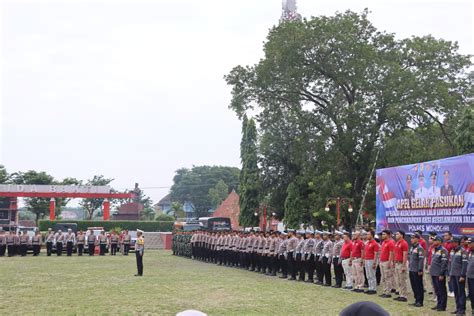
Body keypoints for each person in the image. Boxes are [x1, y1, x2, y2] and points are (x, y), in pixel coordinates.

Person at [448, 237, 468, 315]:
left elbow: (464, 264)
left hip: (459, 275)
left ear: (456, 242)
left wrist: (462, 275)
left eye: (452, 242)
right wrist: (449, 274)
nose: (450, 243)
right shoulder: (452, 251)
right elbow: (450, 263)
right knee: (456, 292)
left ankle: (462, 310)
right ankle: (458, 308)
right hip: (453, 274)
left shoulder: (463, 251)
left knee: (461, 293)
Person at [430, 236, 449, 312]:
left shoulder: (443, 250)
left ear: (439, 241)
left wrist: (441, 274)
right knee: (437, 290)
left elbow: (444, 263)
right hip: (434, 273)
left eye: (435, 240)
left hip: (439, 274)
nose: (433, 241)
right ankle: (438, 304)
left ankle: (442, 306)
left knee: (441, 290)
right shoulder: (434, 249)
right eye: (433, 240)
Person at [408, 233, 425, 307]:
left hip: (417, 270)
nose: (411, 239)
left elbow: (421, 260)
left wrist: (420, 270)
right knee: (414, 285)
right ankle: (416, 300)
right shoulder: (412, 247)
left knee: (418, 286)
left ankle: (420, 301)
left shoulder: (419, 248)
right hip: (411, 269)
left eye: (413, 238)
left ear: (418, 239)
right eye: (411, 238)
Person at [393, 230, 408, 302]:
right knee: (398, 280)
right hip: (397, 263)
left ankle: (404, 296)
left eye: (397, 234)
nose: (396, 235)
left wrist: (404, 266)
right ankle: (400, 294)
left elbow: (405, 255)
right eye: (396, 234)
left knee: (402, 280)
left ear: (402, 235)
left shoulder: (404, 243)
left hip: (401, 263)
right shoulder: (396, 243)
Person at [379, 230, 395, 298]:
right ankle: (385, 291)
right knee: (383, 277)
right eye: (382, 234)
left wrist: (389, 262)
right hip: (382, 261)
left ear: (388, 235)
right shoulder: (383, 242)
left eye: (384, 234)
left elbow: (392, 253)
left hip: (387, 262)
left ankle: (388, 292)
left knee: (388, 277)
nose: (382, 235)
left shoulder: (391, 242)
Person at [363, 230, 380, 295]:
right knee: (368, 275)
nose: (367, 236)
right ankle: (370, 288)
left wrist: (374, 262)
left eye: (368, 234)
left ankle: (373, 289)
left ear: (372, 235)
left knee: (372, 275)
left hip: (372, 260)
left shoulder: (375, 243)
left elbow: (376, 254)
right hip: (367, 260)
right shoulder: (367, 243)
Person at [444, 231, 455, 297]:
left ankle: (453, 290)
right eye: (444, 235)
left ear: (450, 236)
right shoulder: (445, 243)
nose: (445, 237)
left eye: (446, 235)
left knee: (451, 275)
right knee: (448, 276)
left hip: (451, 261)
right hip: (446, 261)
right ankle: (450, 290)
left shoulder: (453, 243)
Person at [466, 238, 474, 315]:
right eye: (468, 243)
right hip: (469, 277)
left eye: (470, 243)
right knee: (471, 294)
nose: (468, 245)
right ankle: (473, 308)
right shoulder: (469, 252)